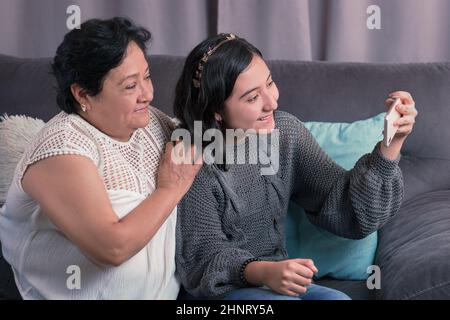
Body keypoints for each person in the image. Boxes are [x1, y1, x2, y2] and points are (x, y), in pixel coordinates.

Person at [174, 33, 418, 300]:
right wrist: (265, 272)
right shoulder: (191, 156)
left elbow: (351, 213)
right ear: (216, 110)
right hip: (221, 293)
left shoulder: (285, 133)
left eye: (270, 83)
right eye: (252, 97)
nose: (272, 102)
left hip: (277, 284)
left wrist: (390, 146)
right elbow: (203, 257)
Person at [0, 17, 201, 299]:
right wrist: (171, 188)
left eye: (147, 76)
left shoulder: (149, 121)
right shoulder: (63, 147)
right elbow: (112, 248)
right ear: (83, 94)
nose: (148, 93)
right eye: (130, 86)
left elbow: (204, 143)